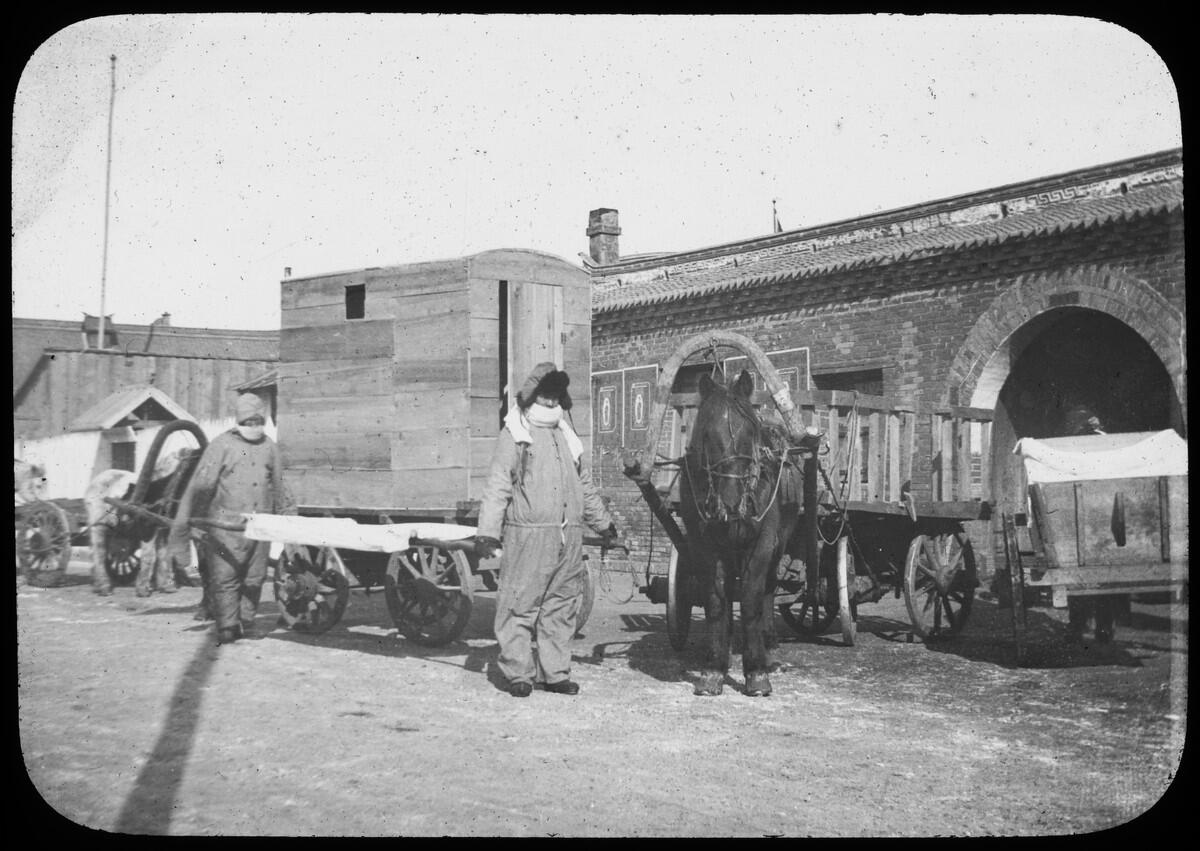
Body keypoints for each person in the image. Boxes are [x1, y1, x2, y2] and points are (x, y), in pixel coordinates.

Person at [475, 363, 617, 698]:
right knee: (519, 603)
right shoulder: (515, 434)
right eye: (545, 397)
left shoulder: (566, 436)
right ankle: (519, 674)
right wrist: (488, 532)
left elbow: (583, 484)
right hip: (528, 535)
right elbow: (498, 484)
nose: (551, 405)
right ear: (531, 397)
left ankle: (555, 673)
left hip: (567, 538)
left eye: (556, 399)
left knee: (561, 605)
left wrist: (604, 523)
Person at [168, 393, 295, 645]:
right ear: (239, 421)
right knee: (225, 577)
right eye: (248, 421)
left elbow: (280, 484)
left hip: (259, 526)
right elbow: (202, 486)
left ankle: (247, 622)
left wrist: (288, 515)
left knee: (255, 577)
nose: (253, 425)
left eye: (258, 420)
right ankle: (227, 626)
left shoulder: (270, 447)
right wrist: (194, 521)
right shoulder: (221, 445)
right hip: (224, 527)